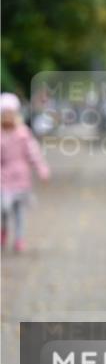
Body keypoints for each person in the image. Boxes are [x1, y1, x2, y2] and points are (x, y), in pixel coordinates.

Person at [0, 93, 49, 253]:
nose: (7, 117)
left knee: (19, 212)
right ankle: (3, 229)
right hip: (3, 179)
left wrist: (42, 169)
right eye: (4, 114)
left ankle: (19, 238)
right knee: (3, 209)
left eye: (10, 113)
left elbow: (33, 153)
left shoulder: (23, 133)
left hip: (21, 180)